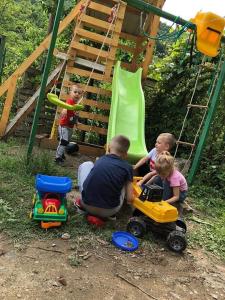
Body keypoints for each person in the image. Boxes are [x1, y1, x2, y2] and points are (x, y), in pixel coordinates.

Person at [76, 135, 134, 219]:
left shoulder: (100, 160)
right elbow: (129, 199)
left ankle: (81, 204)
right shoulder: (127, 167)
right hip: (109, 211)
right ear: (126, 154)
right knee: (126, 181)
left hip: (86, 205)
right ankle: (111, 215)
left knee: (87, 164)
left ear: (109, 147)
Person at [150, 151, 188, 216]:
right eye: (160, 173)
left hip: (181, 194)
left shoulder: (174, 178)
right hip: (173, 189)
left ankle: (163, 203)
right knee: (157, 178)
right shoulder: (166, 171)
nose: (161, 175)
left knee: (166, 183)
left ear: (169, 170)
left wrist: (164, 202)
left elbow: (176, 197)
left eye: (163, 174)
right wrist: (146, 185)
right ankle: (156, 195)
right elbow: (154, 177)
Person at [55, 84, 83, 163]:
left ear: (81, 95)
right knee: (64, 141)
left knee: (66, 142)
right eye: (75, 92)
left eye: (79, 93)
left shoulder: (77, 105)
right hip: (64, 125)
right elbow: (66, 105)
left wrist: (77, 123)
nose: (77, 94)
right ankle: (57, 157)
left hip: (70, 127)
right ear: (70, 93)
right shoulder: (70, 101)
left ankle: (61, 153)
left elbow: (75, 116)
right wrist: (65, 109)